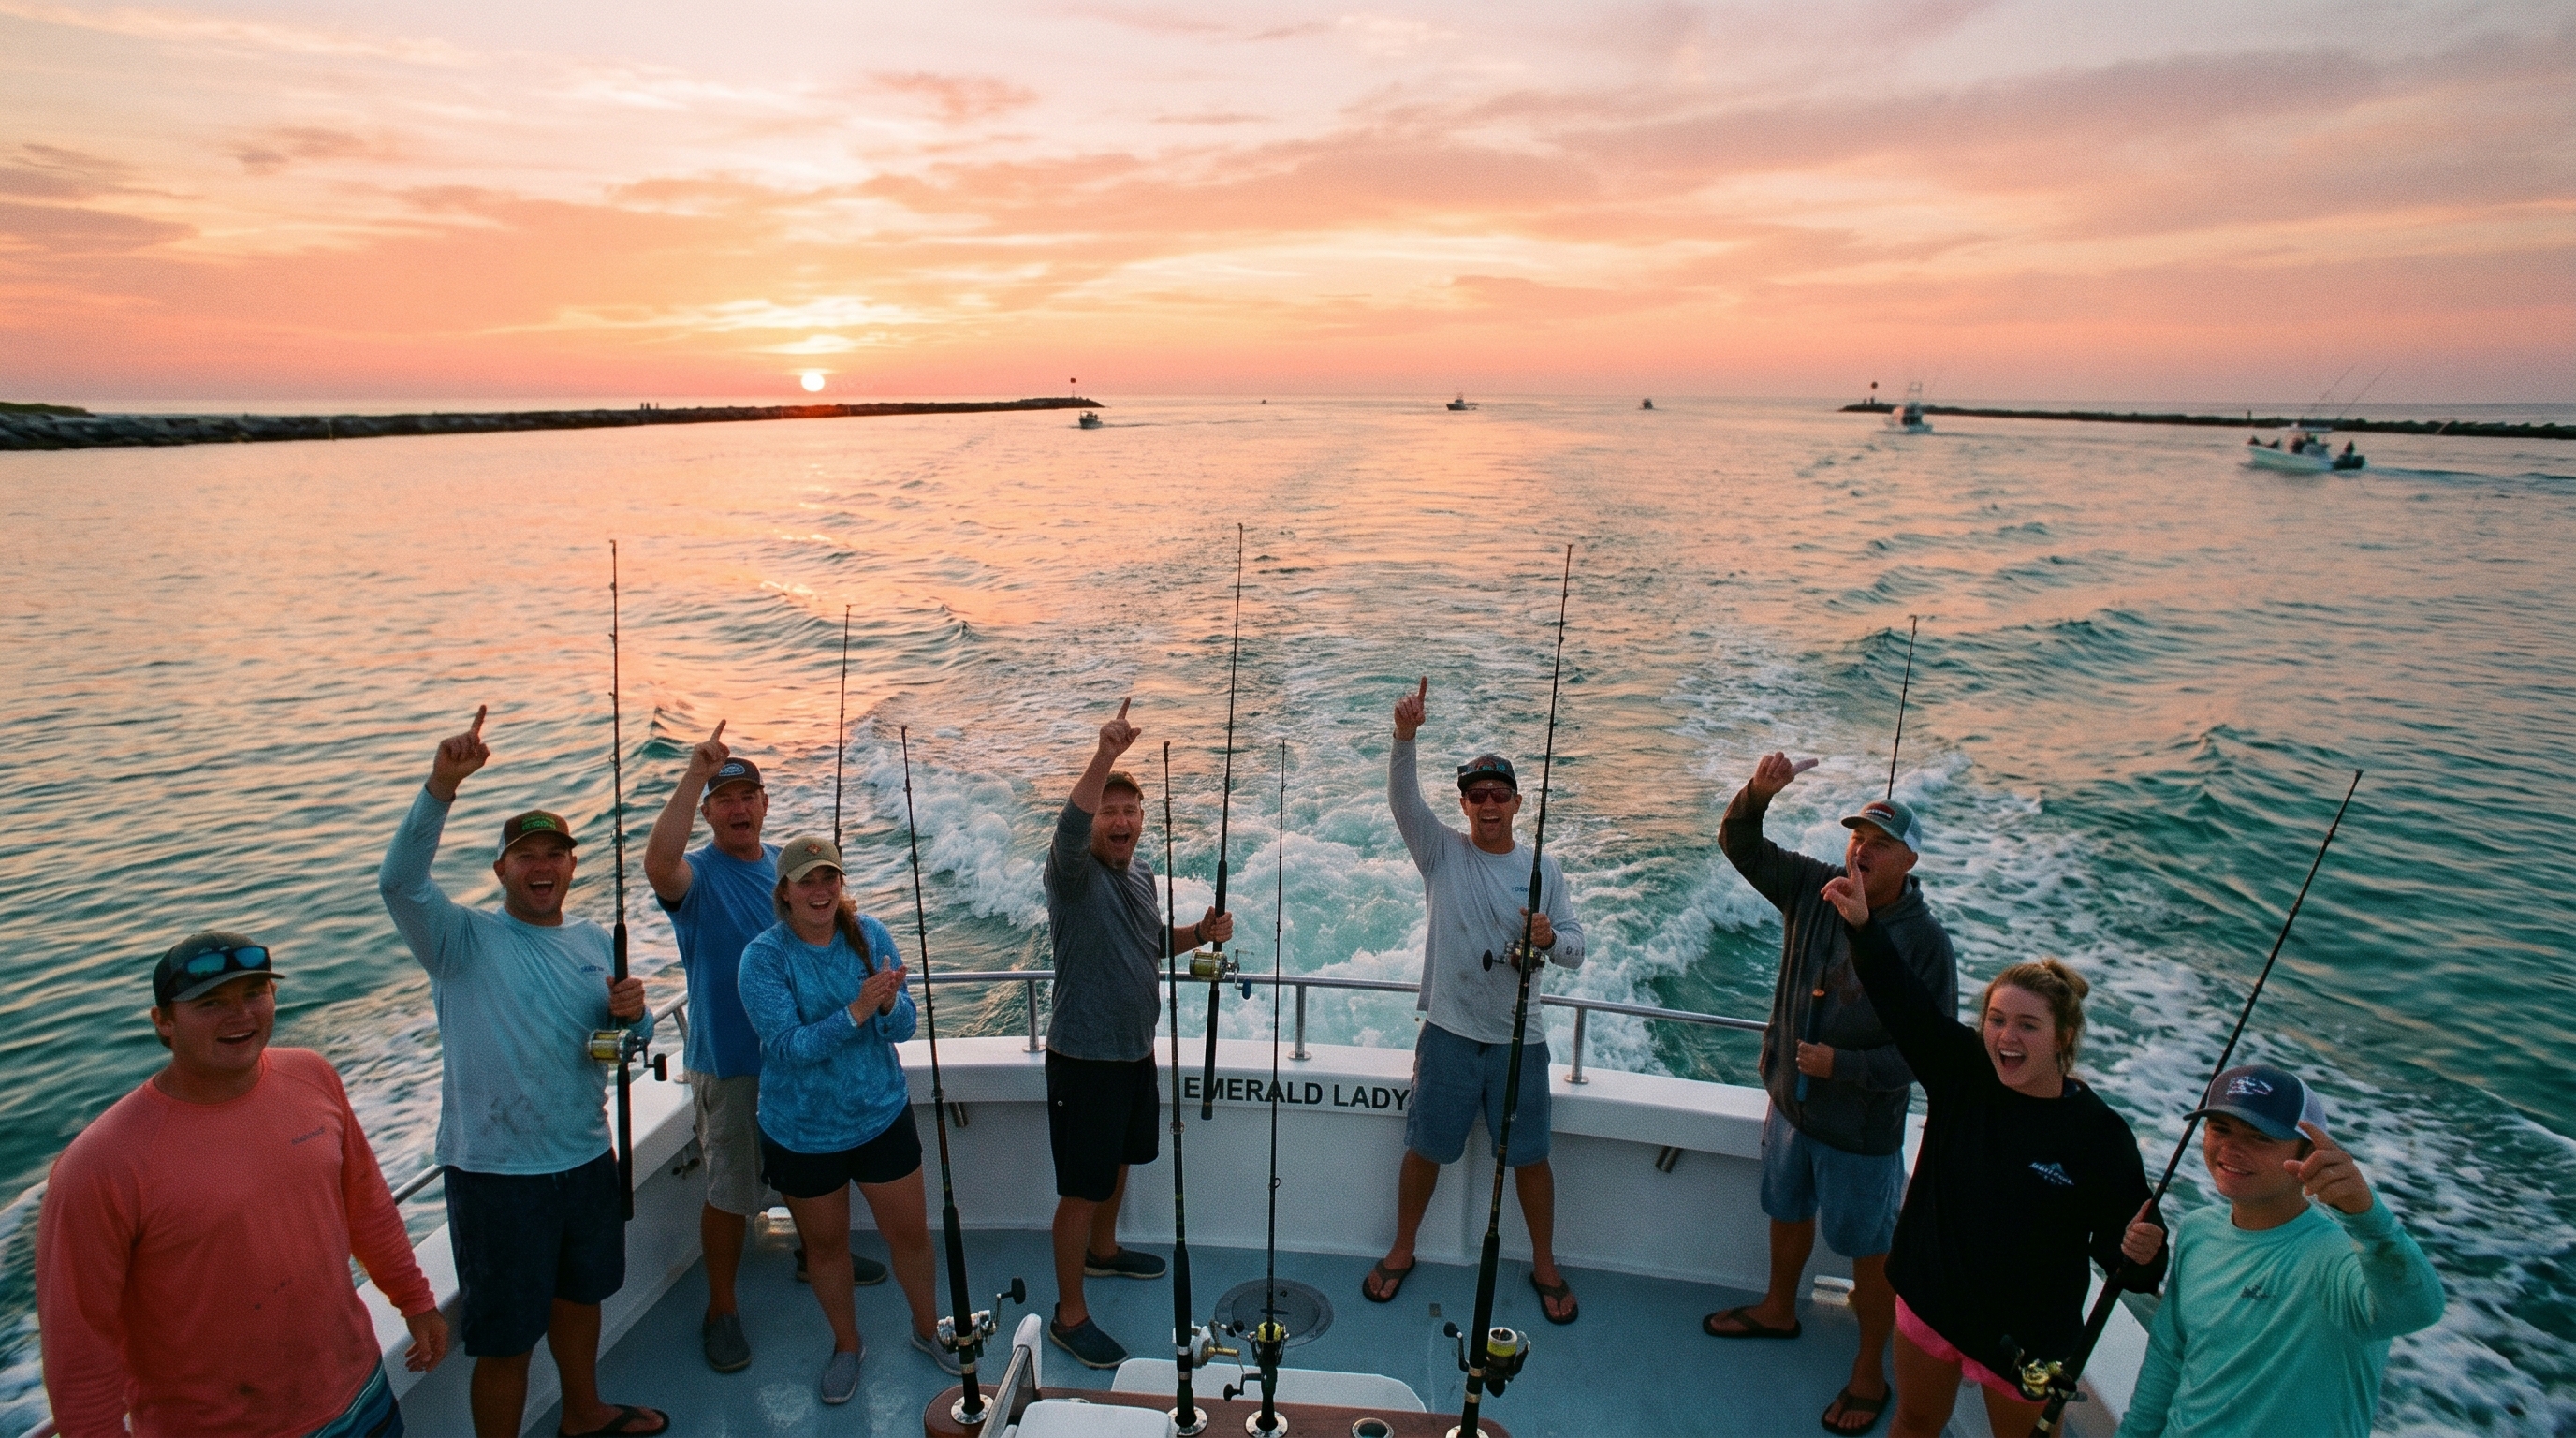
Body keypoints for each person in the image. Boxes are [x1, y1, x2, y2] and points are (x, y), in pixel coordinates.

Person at [379, 706, 666, 1438]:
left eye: (555, 854)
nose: (542, 867)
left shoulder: (595, 940)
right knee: (504, 1340)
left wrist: (634, 1017)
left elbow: (623, 1040)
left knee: (581, 1299)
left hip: (583, 1157)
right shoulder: (459, 939)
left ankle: (584, 1412)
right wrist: (443, 784)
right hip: (496, 1174)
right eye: (526, 856)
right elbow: (399, 882)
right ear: (501, 868)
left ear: (572, 864)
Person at [37, 932, 449, 1438]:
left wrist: (414, 1298)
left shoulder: (313, 1076)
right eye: (210, 1003)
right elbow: (78, 1340)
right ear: (163, 1022)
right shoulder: (99, 1164)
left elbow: (366, 1204)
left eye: (254, 994)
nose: (240, 1016)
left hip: (360, 1391)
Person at [1824, 871, 2167, 1438]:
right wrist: (1862, 925)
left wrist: (2145, 1253)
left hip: (2029, 1343)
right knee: (1913, 1420)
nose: (2007, 1037)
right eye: (1997, 1020)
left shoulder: (2100, 1135)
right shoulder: (1961, 1070)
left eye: (2028, 1025)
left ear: (2062, 1037)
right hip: (1930, 1302)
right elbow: (1901, 998)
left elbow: (2129, 1264)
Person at [1705, 752, 1955, 1437]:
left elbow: (1928, 1052)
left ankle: (1871, 1368)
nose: (1861, 850)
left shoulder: (1927, 944)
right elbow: (1739, 843)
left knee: (1868, 1253)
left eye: (1880, 843)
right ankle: (1777, 1308)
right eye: (1857, 837)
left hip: (1861, 1133)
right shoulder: (1814, 888)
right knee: (1786, 1212)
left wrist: (1842, 1064)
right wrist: (1758, 793)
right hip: (1790, 1108)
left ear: (1909, 861)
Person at [643, 724, 884, 1375]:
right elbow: (658, 865)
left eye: (748, 796)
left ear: (765, 804)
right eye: (724, 800)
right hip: (735, 1063)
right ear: (710, 812)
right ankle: (721, 1307)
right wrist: (694, 773)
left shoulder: (786, 869)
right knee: (731, 1190)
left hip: (805, 1058)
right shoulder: (697, 876)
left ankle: (814, 1256)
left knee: (811, 1174)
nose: (739, 808)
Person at [1361, 677, 1587, 1325]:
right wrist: (1404, 737)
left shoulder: (1544, 871)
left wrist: (1550, 937)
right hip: (1451, 1034)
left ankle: (1544, 1263)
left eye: (1499, 795)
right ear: (1463, 806)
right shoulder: (1440, 853)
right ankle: (1402, 1249)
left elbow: (1574, 946)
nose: (1488, 805)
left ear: (1517, 802)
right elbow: (1404, 801)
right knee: (1425, 1148)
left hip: (1523, 1040)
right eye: (1476, 795)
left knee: (1531, 1158)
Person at [1041, 698, 1231, 1369]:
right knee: (1079, 1187)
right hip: (1083, 1059)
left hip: (1133, 1053)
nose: (1118, 821)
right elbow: (1067, 831)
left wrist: (1197, 936)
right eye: (1108, 811)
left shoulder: (1142, 873)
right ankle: (1069, 1315)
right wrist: (1105, 757)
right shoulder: (1072, 874)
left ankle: (1104, 1250)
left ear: (1141, 822)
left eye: (1129, 812)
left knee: (1119, 1164)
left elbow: (1147, 943)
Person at [736, 834, 953, 1403]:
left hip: (880, 1114)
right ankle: (847, 1344)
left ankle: (928, 1329)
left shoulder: (870, 935)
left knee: (909, 1235)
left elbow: (904, 1025)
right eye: (806, 880)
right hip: (803, 1132)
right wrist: (857, 1011)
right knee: (826, 1248)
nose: (820, 889)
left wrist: (886, 1006)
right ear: (783, 891)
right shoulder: (763, 957)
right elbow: (786, 1048)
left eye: (828, 877)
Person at [2118, 1064, 2443, 1438]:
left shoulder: (2343, 1258)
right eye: (2219, 1128)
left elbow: (2420, 1309)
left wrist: (2370, 1219)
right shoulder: (2197, 1229)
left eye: (2260, 1137)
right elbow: (2167, 1358)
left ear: (2310, 1153)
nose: (2231, 1148)